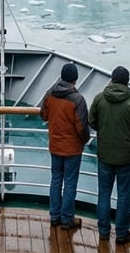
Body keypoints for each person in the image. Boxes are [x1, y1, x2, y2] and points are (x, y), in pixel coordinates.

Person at [88, 65, 130, 244]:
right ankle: (122, 233)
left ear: (112, 79)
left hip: (105, 155)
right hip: (126, 157)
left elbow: (92, 121)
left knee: (104, 193)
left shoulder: (99, 98)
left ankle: (103, 231)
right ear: (127, 82)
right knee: (124, 195)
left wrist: (104, 129)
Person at [39, 62, 90, 231]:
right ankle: (67, 219)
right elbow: (82, 128)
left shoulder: (50, 94)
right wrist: (84, 140)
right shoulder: (78, 100)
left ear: (61, 77)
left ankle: (54, 216)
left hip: (55, 146)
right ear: (75, 80)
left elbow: (43, 115)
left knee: (55, 180)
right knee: (69, 183)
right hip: (72, 149)